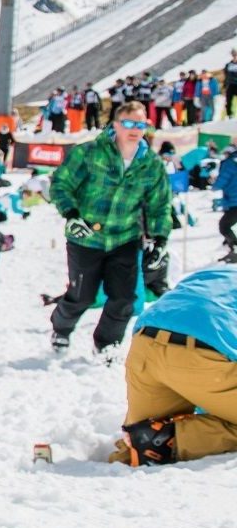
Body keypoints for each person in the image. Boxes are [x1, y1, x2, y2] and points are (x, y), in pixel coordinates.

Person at [48, 100, 171, 354]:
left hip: (124, 238)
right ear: (116, 125)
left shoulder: (151, 165)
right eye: (128, 123)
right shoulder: (89, 152)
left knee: (124, 299)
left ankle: (106, 343)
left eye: (140, 124)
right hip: (86, 238)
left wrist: (160, 240)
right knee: (82, 296)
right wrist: (71, 215)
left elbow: (160, 204)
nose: (134, 129)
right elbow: (61, 184)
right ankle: (61, 329)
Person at [109, 264, 237, 465]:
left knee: (141, 440)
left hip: (145, 347)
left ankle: (139, 448)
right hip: (203, 356)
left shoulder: (215, 273)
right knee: (162, 441)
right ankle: (170, 441)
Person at [215, 153, 237, 264]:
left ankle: (235, 251)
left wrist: (214, 184)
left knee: (224, 226)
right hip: (232, 200)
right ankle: (232, 250)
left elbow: (221, 181)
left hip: (234, 201)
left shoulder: (230, 163)